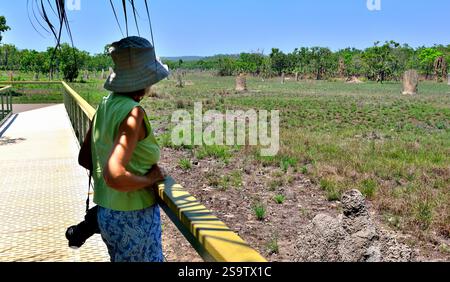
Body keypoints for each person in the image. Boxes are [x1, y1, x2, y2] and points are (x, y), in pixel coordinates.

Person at [91, 36, 170, 262]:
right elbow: (114, 175)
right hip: (133, 216)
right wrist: (150, 179)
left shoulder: (105, 104)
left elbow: (85, 158)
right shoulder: (133, 113)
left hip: (107, 214)